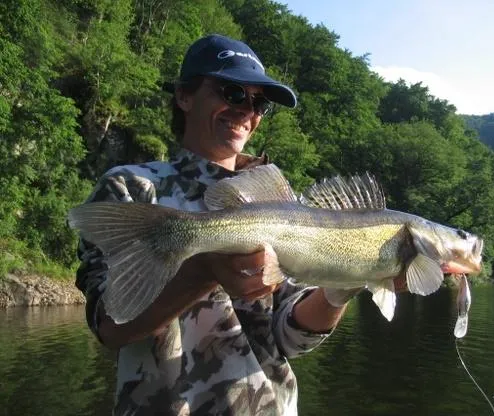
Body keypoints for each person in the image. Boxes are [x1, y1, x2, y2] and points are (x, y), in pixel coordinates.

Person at [75, 34, 360, 415]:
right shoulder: (130, 186)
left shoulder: (275, 198)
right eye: (232, 93)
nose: (247, 111)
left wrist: (342, 288)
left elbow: (290, 339)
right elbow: (110, 327)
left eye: (259, 102)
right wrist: (204, 271)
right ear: (185, 96)